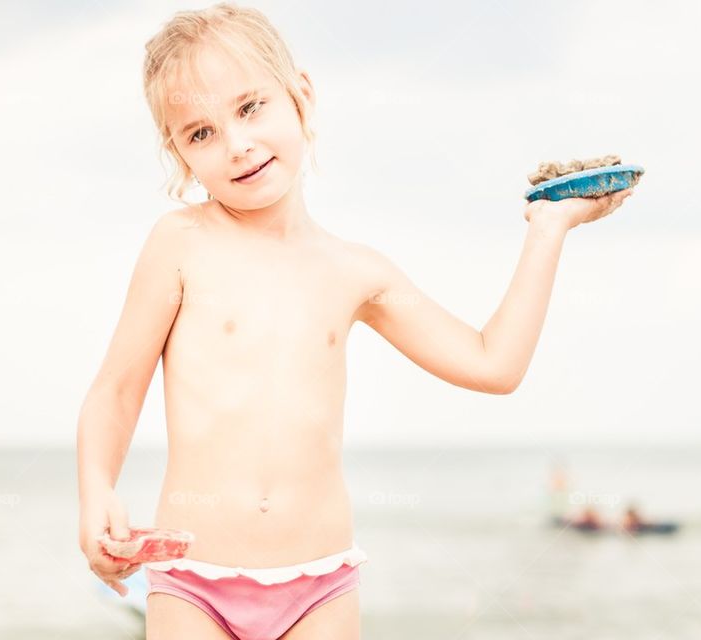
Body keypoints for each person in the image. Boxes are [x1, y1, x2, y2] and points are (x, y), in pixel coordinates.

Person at [75, 3, 635, 638]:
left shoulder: (356, 273)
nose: (237, 144)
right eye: (199, 133)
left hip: (320, 588)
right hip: (192, 581)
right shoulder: (180, 245)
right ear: (179, 152)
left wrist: (548, 230)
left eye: (250, 106)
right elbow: (116, 390)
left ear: (300, 97)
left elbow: (493, 364)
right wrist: (97, 490)